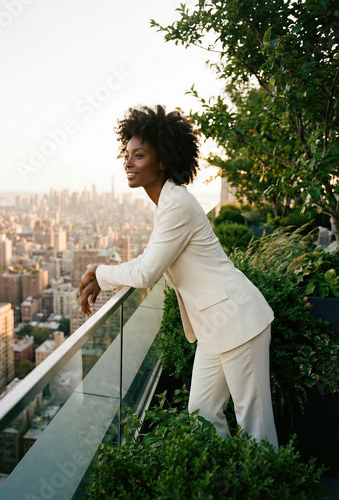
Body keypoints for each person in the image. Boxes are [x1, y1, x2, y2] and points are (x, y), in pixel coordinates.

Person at [79, 105, 279, 449]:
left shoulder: (177, 205)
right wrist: (106, 276)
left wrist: (101, 271)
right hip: (214, 327)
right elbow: (151, 258)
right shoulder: (167, 204)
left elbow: (146, 272)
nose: (128, 162)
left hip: (239, 322)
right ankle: (226, 483)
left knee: (256, 425)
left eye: (138, 155)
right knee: (202, 414)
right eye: (126, 154)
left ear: (162, 160)